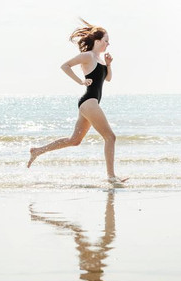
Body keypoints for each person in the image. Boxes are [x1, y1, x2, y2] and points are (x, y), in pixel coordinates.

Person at [27, 18, 127, 184]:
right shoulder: (87, 56)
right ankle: (111, 177)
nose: (108, 44)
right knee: (111, 137)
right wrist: (80, 81)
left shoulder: (100, 60)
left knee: (74, 140)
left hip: (89, 104)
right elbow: (65, 66)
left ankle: (37, 151)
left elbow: (108, 79)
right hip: (89, 102)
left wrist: (109, 65)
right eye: (106, 41)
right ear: (97, 41)